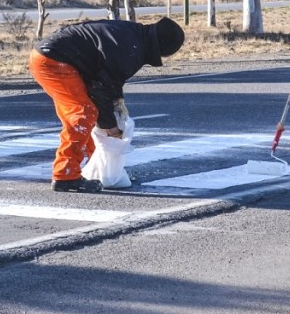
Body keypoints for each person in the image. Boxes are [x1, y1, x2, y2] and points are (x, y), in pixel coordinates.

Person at [29, 17, 186, 193]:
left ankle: (96, 164)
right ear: (158, 49)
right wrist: (111, 127)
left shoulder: (133, 37)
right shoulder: (130, 49)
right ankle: (65, 175)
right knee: (84, 113)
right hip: (54, 61)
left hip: (53, 56)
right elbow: (102, 90)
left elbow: (109, 80)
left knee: (87, 114)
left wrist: (116, 106)